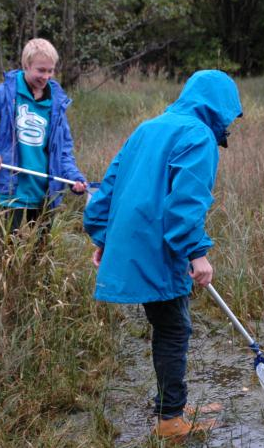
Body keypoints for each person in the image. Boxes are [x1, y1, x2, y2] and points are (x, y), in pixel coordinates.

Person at [83, 70, 242, 442]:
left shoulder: (149, 127)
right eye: (230, 115)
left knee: (168, 325)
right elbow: (185, 204)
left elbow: (109, 185)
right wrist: (197, 252)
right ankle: (170, 419)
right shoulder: (198, 135)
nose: (230, 123)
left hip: (139, 243)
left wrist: (102, 235)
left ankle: (171, 404)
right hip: (159, 249)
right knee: (174, 329)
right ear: (218, 106)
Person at [0, 38, 86, 245]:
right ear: (26, 65)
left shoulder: (56, 102)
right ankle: (9, 279)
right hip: (12, 188)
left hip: (45, 189)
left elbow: (63, 149)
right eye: (41, 70)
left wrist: (73, 175)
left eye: (51, 71)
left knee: (42, 251)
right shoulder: (5, 94)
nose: (46, 76)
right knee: (7, 248)